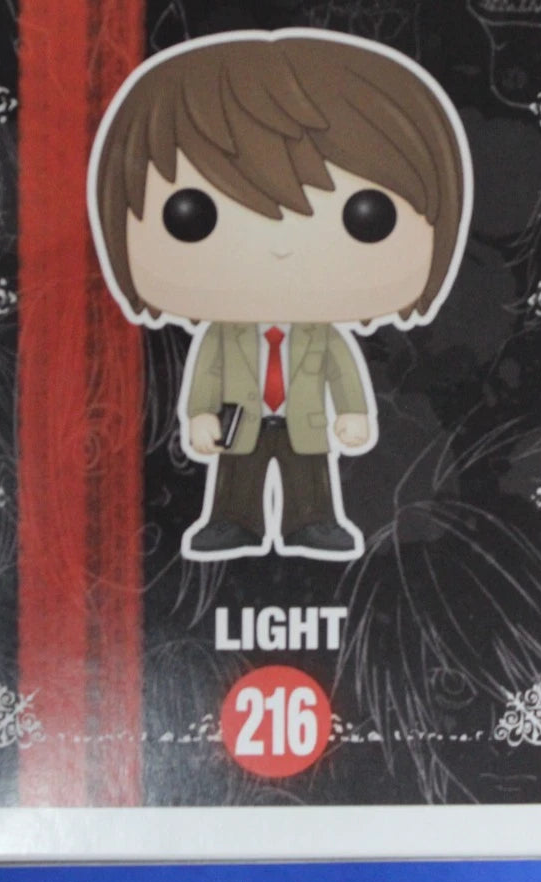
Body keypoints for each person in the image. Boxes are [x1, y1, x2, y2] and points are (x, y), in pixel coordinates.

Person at [89, 29, 471, 560]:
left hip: (306, 420)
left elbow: (341, 371)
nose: (280, 251)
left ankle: (312, 521)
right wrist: (199, 414)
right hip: (238, 417)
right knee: (236, 475)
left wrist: (354, 412)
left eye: (367, 218)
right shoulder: (224, 333)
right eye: (191, 217)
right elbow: (208, 373)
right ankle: (232, 521)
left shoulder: (322, 334)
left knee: (309, 475)